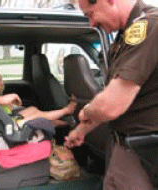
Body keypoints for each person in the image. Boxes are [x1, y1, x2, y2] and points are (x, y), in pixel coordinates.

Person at [64, 0, 158, 189]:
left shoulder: (149, 26)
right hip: (123, 145)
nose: (91, 24)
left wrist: (88, 111)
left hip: (145, 151)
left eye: (90, 14)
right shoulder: (126, 34)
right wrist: (82, 130)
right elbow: (114, 95)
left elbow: (110, 106)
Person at [0, 68, 77, 126]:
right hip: (10, 125)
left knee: (33, 109)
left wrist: (10, 106)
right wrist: (14, 95)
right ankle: (66, 111)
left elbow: (3, 105)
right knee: (38, 116)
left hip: (8, 119)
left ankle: (60, 123)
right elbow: (2, 100)